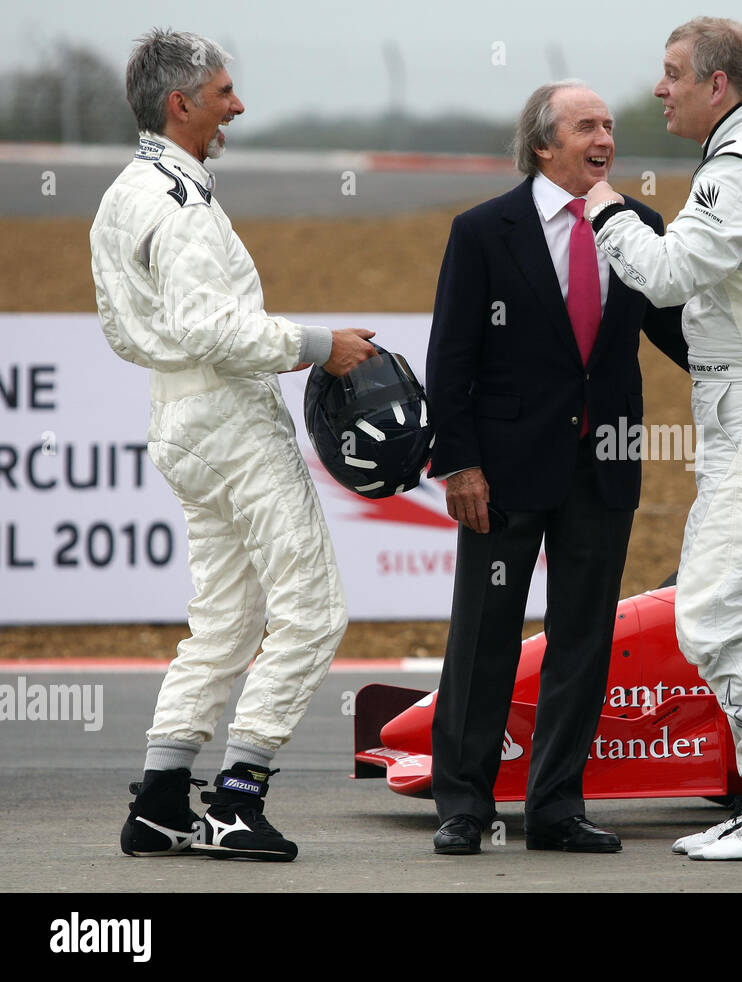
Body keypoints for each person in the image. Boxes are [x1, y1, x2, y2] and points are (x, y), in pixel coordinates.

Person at [92, 29, 377, 862]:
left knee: (224, 618)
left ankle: (158, 801)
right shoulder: (177, 203)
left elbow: (122, 328)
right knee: (315, 609)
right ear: (180, 104)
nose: (238, 105)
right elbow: (209, 327)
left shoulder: (124, 192)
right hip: (229, 420)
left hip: (176, 419)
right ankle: (236, 798)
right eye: (223, 92)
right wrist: (320, 344)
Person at [584, 17, 742, 860]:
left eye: (671, 75)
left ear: (718, 85)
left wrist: (603, 208)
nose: (658, 89)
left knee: (709, 604)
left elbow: (663, 274)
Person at [425, 81, 687, 856]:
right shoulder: (483, 231)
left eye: (608, 125)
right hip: (503, 473)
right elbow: (451, 358)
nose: (603, 137)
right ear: (544, 145)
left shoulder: (636, 224)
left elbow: (681, 334)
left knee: (584, 637)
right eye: (585, 126)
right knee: (485, 637)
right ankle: (465, 805)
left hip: (602, 467)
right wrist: (460, 462)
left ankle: (557, 807)